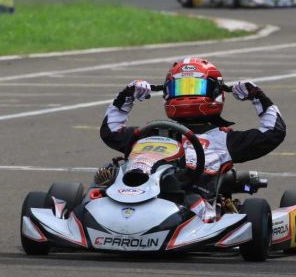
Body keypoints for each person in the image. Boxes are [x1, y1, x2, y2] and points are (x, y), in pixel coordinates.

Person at [100, 58, 286, 220]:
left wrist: (258, 97)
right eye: (179, 89)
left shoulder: (224, 139)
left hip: (191, 205)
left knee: (184, 191)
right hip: (142, 194)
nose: (186, 96)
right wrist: (126, 96)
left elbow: (273, 132)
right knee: (108, 176)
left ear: (214, 92)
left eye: (195, 87)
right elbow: (110, 131)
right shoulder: (152, 132)